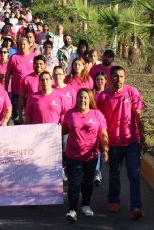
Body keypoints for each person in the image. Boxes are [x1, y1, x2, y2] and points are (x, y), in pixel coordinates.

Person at [97, 66, 146, 220]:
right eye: (116, 76)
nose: (119, 79)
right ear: (110, 78)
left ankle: (136, 207)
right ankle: (113, 200)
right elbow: (100, 121)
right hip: (113, 142)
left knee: (134, 174)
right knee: (114, 173)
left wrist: (142, 137)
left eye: (122, 76)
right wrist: (103, 144)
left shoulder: (132, 92)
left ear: (125, 78)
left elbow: (139, 117)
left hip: (131, 140)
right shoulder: (103, 96)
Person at [62, 88, 109, 222]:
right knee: (74, 183)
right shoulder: (70, 114)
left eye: (85, 97)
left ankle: (85, 205)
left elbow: (103, 134)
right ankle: (72, 210)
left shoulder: (97, 114)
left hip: (91, 156)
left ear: (90, 100)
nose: (82, 100)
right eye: (80, 97)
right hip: (72, 156)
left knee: (87, 182)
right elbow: (63, 130)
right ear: (76, 99)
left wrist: (105, 150)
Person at [5, 37, 36, 122]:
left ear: (29, 45)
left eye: (24, 44)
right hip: (17, 93)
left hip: (31, 93)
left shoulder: (34, 56)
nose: (22, 46)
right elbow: (8, 74)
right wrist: (6, 89)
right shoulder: (14, 57)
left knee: (30, 117)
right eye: (20, 44)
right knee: (17, 117)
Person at [18, 55, 46, 124]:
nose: (38, 65)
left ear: (45, 65)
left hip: (45, 112)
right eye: (36, 64)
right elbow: (21, 98)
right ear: (33, 65)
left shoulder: (49, 79)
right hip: (31, 113)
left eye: (41, 64)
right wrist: (20, 115)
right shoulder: (26, 79)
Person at [92, 72, 108, 186]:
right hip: (95, 124)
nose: (99, 82)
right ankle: (97, 172)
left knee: (104, 148)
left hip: (107, 124)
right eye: (97, 79)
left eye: (101, 79)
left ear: (105, 81)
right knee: (97, 148)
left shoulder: (108, 93)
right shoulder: (91, 93)